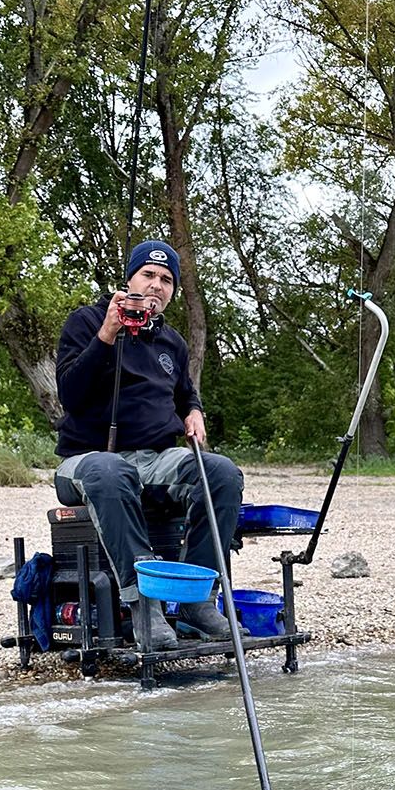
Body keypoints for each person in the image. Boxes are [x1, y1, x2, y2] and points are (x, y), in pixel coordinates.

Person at [53, 239, 246, 652]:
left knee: (221, 472)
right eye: (149, 275)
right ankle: (143, 605)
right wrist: (107, 334)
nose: (157, 285)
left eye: (166, 280)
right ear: (130, 278)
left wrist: (194, 411)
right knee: (112, 471)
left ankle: (198, 601)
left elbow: (185, 394)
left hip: (156, 459)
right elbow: (70, 394)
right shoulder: (87, 322)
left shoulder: (172, 342)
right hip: (87, 461)